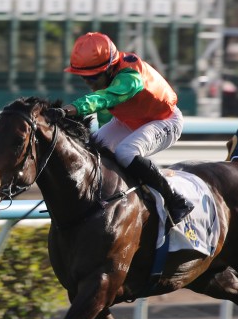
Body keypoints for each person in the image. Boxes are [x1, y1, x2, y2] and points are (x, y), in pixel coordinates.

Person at [44, 32, 193, 227]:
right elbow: (104, 114)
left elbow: (105, 98)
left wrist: (68, 110)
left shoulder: (130, 78)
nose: (88, 82)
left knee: (125, 152)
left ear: (109, 68)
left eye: (93, 76)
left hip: (165, 121)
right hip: (131, 121)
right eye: (83, 77)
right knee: (93, 148)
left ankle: (176, 199)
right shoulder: (108, 78)